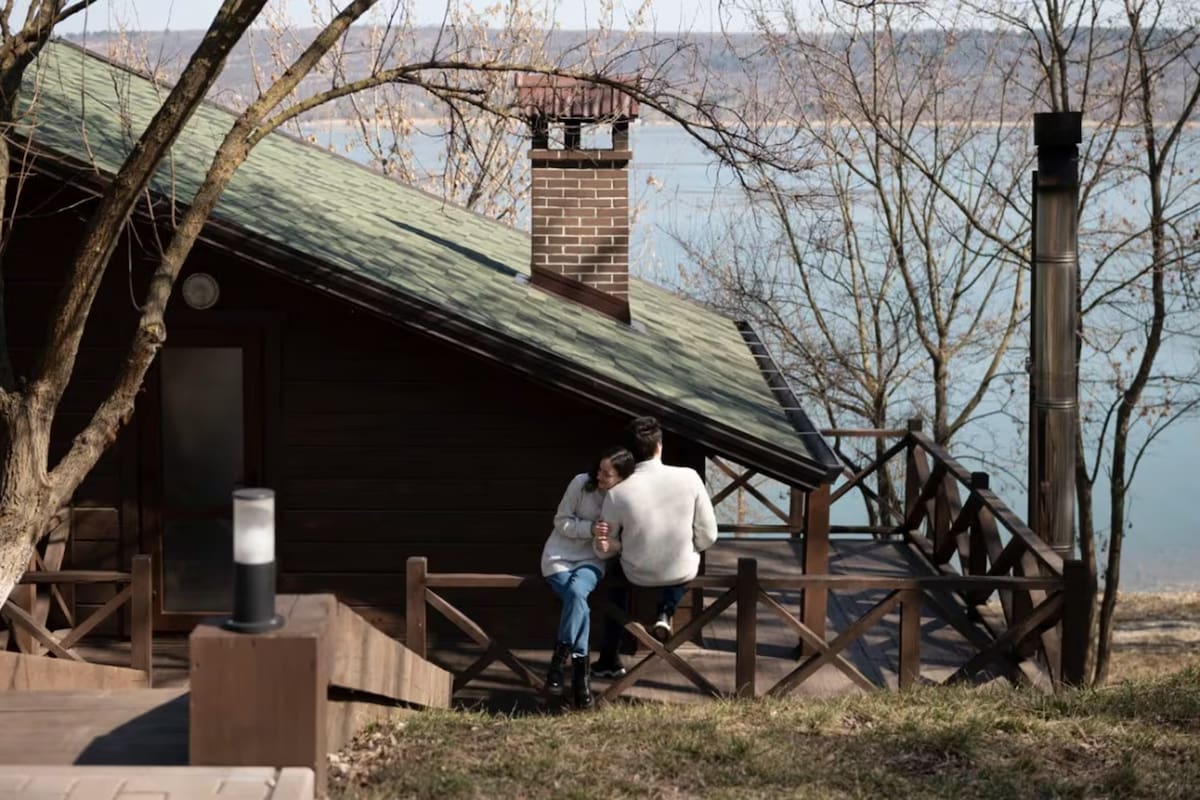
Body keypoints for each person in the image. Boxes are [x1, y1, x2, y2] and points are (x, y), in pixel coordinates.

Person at [592, 416, 718, 676]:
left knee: (614, 582)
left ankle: (609, 658)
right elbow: (709, 535)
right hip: (680, 570)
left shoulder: (617, 492)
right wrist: (691, 547)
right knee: (686, 560)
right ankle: (666, 611)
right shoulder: (689, 477)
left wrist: (621, 545)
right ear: (659, 446)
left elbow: (604, 547)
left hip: (636, 574)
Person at [540, 445, 636, 709]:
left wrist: (610, 545)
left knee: (576, 594)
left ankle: (558, 663)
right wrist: (590, 529)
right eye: (599, 470)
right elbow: (561, 521)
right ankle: (580, 680)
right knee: (578, 602)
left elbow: (626, 539)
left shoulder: (624, 499)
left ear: (621, 478)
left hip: (592, 561)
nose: (599, 476)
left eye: (607, 474)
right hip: (559, 557)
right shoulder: (581, 483)